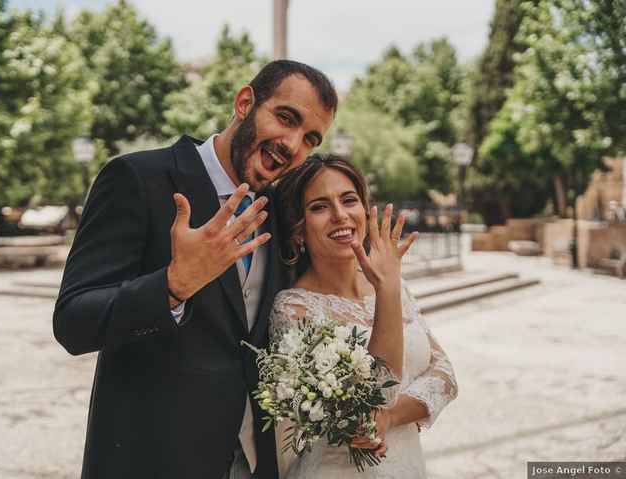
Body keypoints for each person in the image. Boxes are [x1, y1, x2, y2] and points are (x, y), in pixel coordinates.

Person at [52, 60, 338, 479]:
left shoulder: (279, 212)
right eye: (286, 118)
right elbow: (73, 322)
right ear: (244, 103)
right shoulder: (137, 178)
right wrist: (171, 287)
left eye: (310, 138)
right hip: (151, 461)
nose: (293, 144)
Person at [271, 155, 458, 478]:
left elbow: (445, 374)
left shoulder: (395, 286)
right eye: (319, 207)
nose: (340, 215)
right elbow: (379, 392)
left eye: (348, 200)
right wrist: (386, 289)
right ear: (298, 231)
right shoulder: (293, 309)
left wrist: (391, 417)